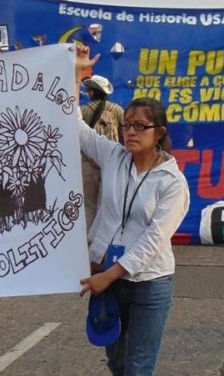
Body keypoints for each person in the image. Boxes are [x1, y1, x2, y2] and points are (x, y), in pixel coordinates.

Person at [76, 46, 190, 376]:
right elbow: (77, 128)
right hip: (109, 278)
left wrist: (107, 276)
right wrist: (75, 76)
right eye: (127, 125)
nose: (131, 132)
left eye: (141, 126)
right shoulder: (113, 157)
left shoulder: (172, 182)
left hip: (149, 282)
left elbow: (153, 240)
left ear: (160, 133)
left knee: (138, 367)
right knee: (118, 362)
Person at [81, 75, 124, 231]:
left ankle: (88, 238)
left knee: (89, 204)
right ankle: (105, 237)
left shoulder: (83, 111)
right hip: (112, 162)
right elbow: (123, 136)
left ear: (92, 92)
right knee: (108, 203)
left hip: (87, 162)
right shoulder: (118, 110)